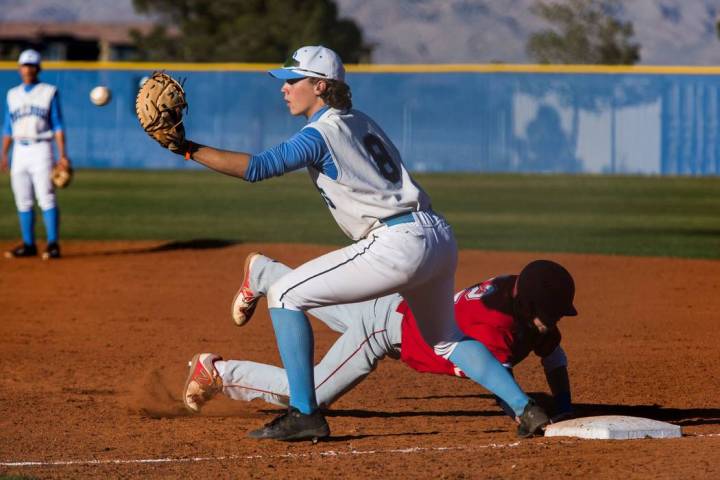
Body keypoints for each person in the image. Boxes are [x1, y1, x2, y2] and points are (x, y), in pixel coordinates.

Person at [173, 45, 547, 441]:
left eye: (292, 81)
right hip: (437, 236)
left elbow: (258, 168)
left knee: (285, 294)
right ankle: (527, 409)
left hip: (397, 242)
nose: (284, 90)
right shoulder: (360, 120)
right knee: (445, 339)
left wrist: (186, 148)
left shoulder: (320, 133)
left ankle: (303, 413)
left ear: (320, 85)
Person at [183, 254, 577, 437]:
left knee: (309, 298)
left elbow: (552, 351)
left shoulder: (515, 290)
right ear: (528, 307)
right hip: (384, 329)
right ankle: (217, 373)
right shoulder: (497, 327)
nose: (554, 320)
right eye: (551, 313)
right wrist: (528, 411)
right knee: (307, 392)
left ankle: (266, 273)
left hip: (395, 306)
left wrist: (564, 404)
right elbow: (496, 379)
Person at [1, 49, 71, 260]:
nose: (28, 69)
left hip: (42, 148)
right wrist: (4, 153)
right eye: (25, 65)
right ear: (19, 68)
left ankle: (52, 244)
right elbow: (7, 127)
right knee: (22, 200)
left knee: (46, 197)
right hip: (19, 151)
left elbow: (58, 124)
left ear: (38, 68)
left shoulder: (48, 91)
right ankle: (29, 244)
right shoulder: (12, 94)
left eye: (32, 65)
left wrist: (63, 154)